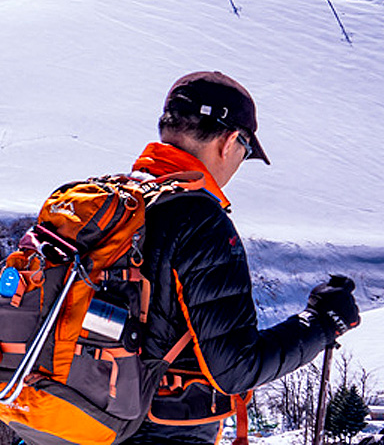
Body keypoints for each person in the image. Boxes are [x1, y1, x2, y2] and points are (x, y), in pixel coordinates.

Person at [127, 70, 361, 445]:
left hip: (74, 425)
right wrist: (321, 323)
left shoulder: (112, 203)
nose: (239, 163)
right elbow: (236, 367)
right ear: (231, 140)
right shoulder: (199, 220)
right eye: (246, 151)